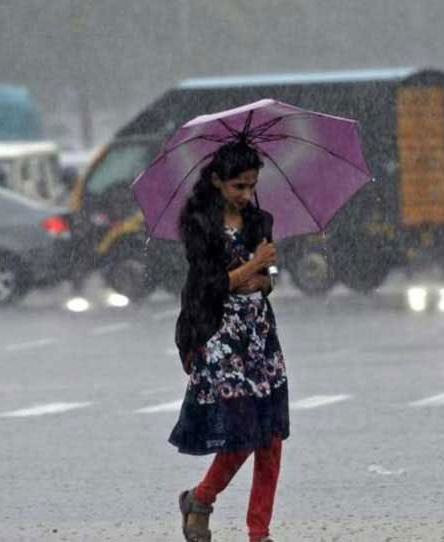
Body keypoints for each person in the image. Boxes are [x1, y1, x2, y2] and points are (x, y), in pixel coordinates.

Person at [170, 140, 288, 542]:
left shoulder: (260, 221)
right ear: (217, 181)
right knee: (242, 432)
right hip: (218, 337)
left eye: (252, 185)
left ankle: (259, 533)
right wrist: (250, 268)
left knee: (270, 437)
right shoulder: (198, 226)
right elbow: (209, 286)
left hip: (259, 335)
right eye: (238, 185)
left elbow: (267, 281)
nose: (246, 194)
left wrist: (260, 275)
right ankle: (201, 499)